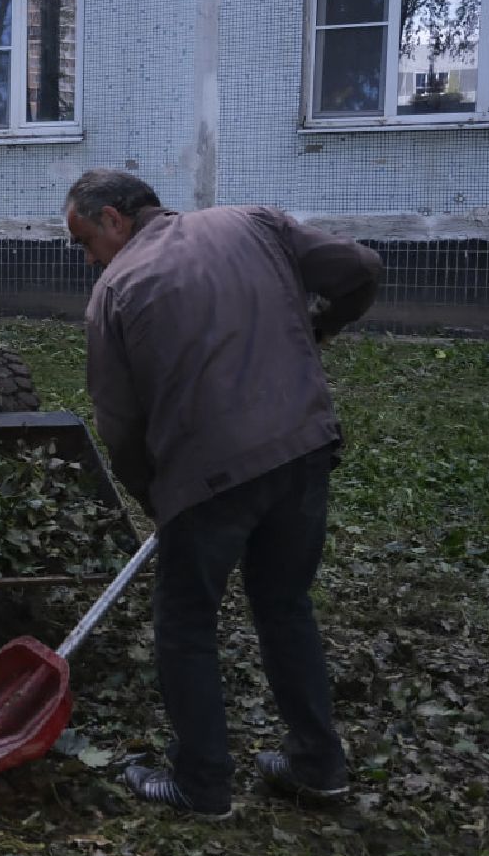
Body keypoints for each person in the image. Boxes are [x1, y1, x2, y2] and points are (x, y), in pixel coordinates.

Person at [63, 169, 382, 819]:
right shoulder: (252, 223)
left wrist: (155, 497)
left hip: (207, 474)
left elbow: (118, 425)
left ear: (113, 219)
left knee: (184, 622)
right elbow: (362, 269)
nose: (87, 259)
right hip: (302, 447)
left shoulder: (114, 291)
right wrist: (321, 326)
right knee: (284, 604)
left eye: (84, 241)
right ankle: (318, 766)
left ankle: (201, 785)